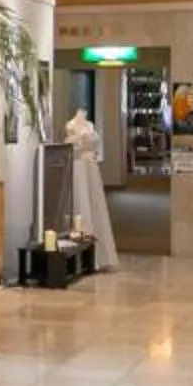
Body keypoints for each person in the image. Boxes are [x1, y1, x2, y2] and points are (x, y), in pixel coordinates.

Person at [65, 108, 120, 271]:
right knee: (81, 204)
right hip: (79, 168)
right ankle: (84, 255)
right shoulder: (70, 125)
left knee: (95, 205)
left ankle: (101, 254)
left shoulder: (89, 124)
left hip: (91, 169)